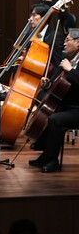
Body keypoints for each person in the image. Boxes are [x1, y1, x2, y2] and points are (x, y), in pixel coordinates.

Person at [31, 29, 79, 173]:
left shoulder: (70, 63)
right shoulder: (70, 59)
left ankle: (52, 161)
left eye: (67, 40)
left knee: (55, 119)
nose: (64, 44)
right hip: (68, 106)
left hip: (77, 109)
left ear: (78, 42)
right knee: (47, 113)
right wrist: (48, 84)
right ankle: (45, 155)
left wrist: (70, 70)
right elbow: (60, 84)